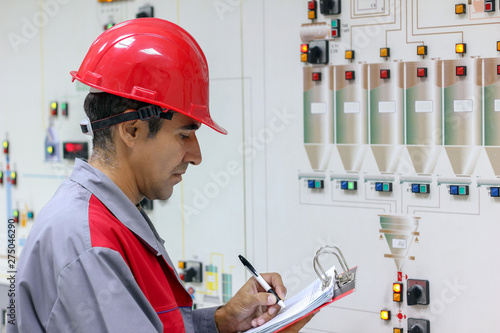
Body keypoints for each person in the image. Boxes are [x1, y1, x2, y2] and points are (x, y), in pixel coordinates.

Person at [10, 18, 315, 332]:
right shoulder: (87, 242)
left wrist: (221, 322)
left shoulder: (112, 219)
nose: (196, 157)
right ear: (132, 130)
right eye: (184, 135)